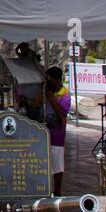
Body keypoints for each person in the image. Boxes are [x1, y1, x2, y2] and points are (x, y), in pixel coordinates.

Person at [43, 66, 71, 195]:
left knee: (57, 165)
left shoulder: (64, 95)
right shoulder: (48, 92)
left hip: (57, 136)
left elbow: (61, 115)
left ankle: (57, 191)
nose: (49, 84)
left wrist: (51, 98)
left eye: (51, 81)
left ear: (58, 80)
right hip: (46, 134)